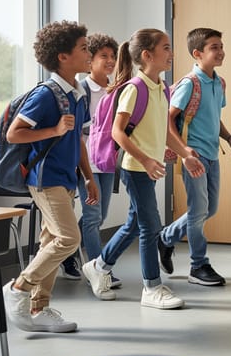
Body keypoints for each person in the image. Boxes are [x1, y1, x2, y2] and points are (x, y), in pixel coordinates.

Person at [81, 28, 205, 309]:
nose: (171, 53)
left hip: (148, 167)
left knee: (135, 223)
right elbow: (118, 132)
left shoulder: (161, 87)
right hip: (135, 167)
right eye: (166, 48)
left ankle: (99, 266)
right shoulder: (134, 89)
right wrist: (147, 159)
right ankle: (151, 287)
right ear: (147, 55)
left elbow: (164, 130)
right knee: (151, 225)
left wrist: (185, 152)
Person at [2, 20, 98, 333]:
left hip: (66, 178)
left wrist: (88, 176)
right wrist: (54, 130)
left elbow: (78, 140)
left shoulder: (79, 92)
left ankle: (39, 308)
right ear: (63, 57)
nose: (89, 53)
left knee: (51, 240)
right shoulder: (47, 94)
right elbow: (15, 134)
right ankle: (19, 287)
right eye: (84, 48)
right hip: (45, 180)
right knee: (69, 238)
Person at [157, 28, 231, 286]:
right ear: (197, 53)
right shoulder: (189, 84)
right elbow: (168, 119)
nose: (220, 51)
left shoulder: (218, 82)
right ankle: (198, 265)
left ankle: (165, 237)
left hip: (212, 154)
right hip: (193, 155)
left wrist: (229, 138)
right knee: (198, 211)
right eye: (214, 47)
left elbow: (214, 117)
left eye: (221, 46)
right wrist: (184, 152)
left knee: (210, 208)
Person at [65, 33, 121, 288]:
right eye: (103, 56)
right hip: (85, 160)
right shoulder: (81, 90)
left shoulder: (117, 90)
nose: (110, 61)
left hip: (108, 160)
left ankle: (68, 253)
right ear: (90, 61)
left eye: (113, 56)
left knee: (100, 215)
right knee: (91, 216)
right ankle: (99, 269)